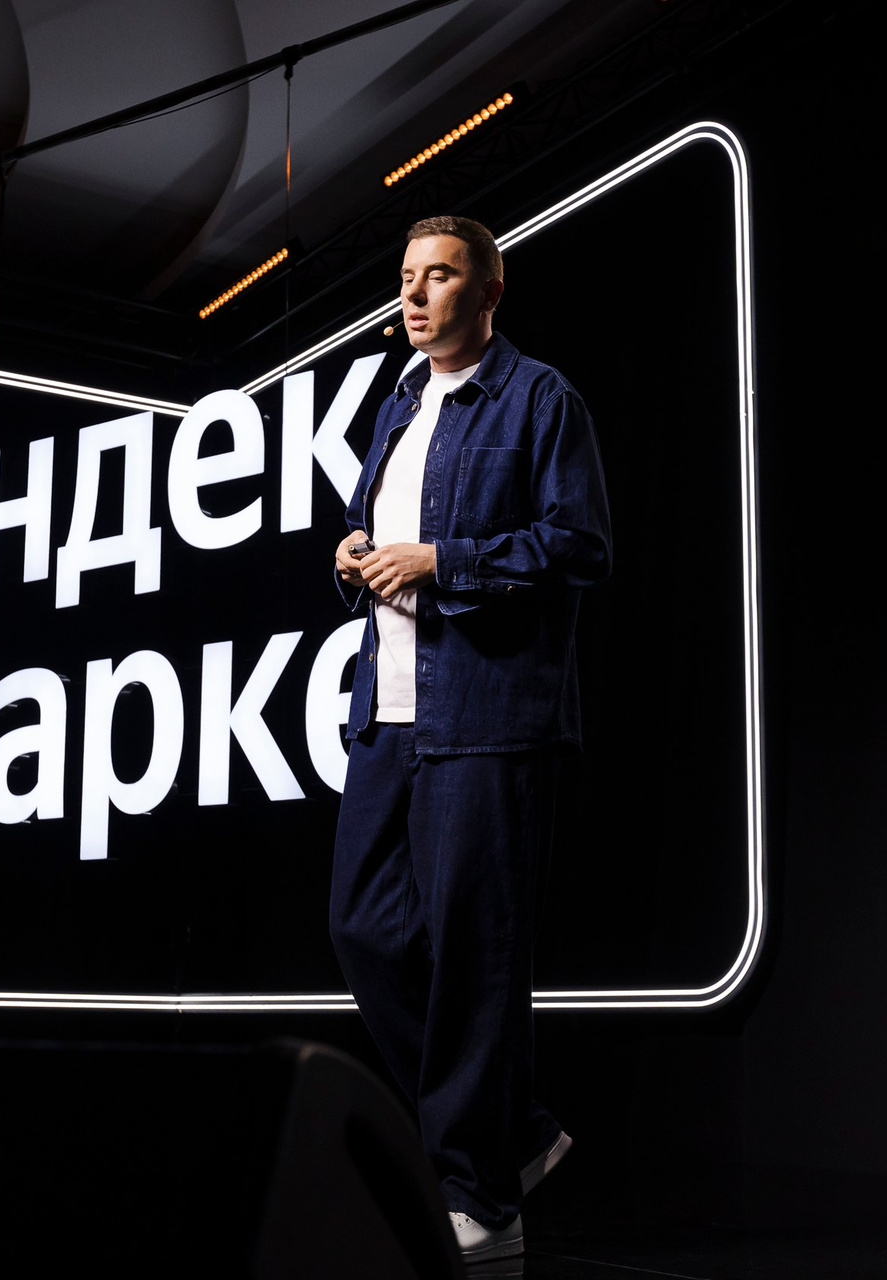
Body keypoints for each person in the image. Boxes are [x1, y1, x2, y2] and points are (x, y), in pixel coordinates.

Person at [329, 216, 612, 1262]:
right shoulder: (398, 404)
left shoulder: (541, 398)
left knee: (474, 959)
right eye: (406, 276)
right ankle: (515, 1132)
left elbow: (580, 545)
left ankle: (486, 1203)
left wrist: (443, 561)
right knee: (364, 929)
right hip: (390, 714)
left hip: (489, 717)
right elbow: (368, 527)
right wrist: (354, 553)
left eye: (438, 275)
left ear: (489, 291)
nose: (413, 295)